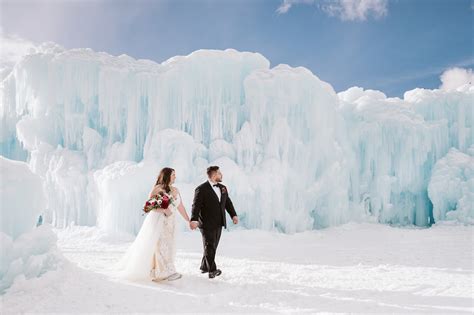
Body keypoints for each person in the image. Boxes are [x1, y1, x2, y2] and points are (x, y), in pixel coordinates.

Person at [116, 167, 190, 282]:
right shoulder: (158, 188)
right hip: (160, 221)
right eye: (173, 174)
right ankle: (165, 272)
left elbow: (180, 207)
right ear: (167, 175)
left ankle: (163, 270)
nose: (175, 177)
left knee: (169, 246)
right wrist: (164, 210)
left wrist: (188, 220)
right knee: (160, 245)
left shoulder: (175, 190)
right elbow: (148, 206)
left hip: (171, 223)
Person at [190, 166, 238, 279]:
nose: (221, 175)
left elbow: (228, 203)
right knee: (209, 245)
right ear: (214, 175)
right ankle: (212, 270)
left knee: (212, 246)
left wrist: (233, 215)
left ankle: (204, 267)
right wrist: (194, 219)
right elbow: (196, 206)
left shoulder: (223, 188)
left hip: (219, 222)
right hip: (206, 223)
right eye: (219, 173)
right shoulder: (201, 189)